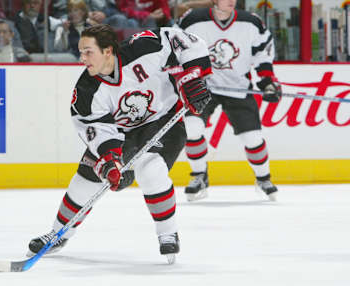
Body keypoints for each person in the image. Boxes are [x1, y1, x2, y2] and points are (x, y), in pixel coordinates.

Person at [27, 24, 212, 263]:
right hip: (122, 132)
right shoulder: (86, 90)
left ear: (107, 51)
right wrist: (109, 163)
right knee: (85, 180)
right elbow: (98, 130)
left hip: (164, 120)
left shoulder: (144, 48)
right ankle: (58, 234)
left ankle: (168, 233)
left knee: (150, 169)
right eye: (81, 52)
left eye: (88, 52)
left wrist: (191, 76)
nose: (82, 58)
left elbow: (183, 39)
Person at [176, 0, 281, 201]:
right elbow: (175, 49)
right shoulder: (191, 20)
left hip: (238, 87)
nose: (232, 1)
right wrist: (184, 77)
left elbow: (262, 52)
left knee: (252, 138)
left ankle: (263, 178)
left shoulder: (251, 22)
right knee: (192, 128)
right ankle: (199, 176)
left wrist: (267, 81)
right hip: (202, 87)